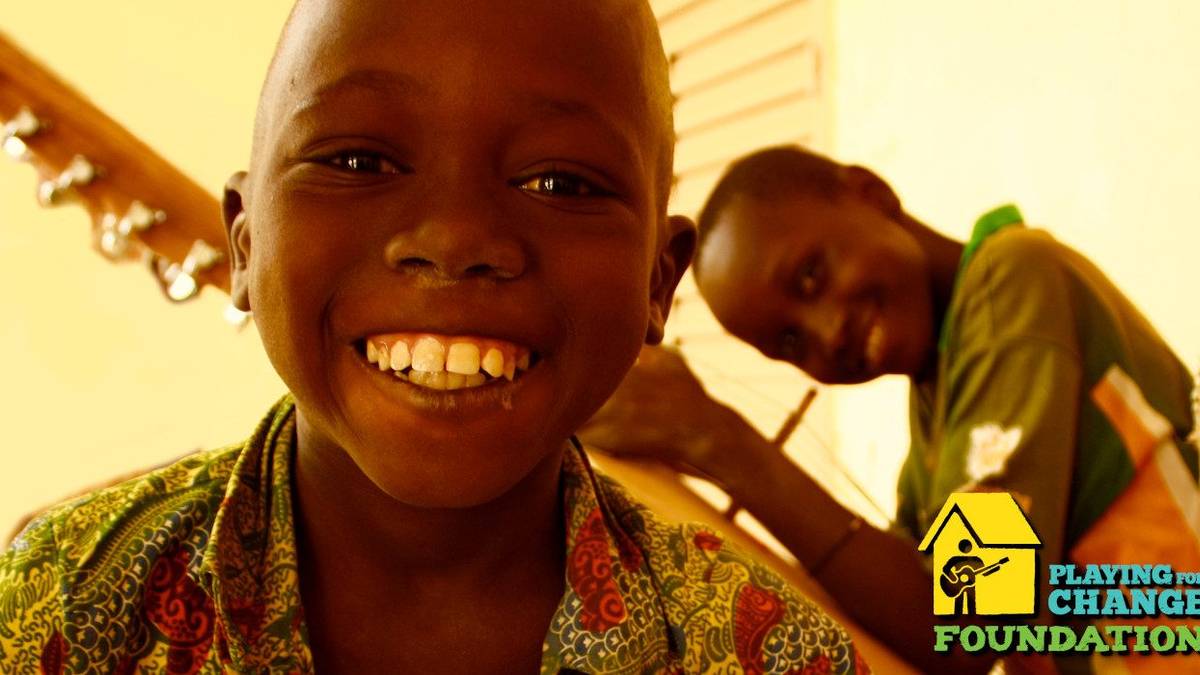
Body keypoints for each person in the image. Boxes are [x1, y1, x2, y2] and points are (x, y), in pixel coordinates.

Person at [0, 8, 869, 675]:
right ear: (243, 242)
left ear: (658, 282)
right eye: (355, 162)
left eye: (561, 181)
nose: (831, 336)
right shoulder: (70, 602)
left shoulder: (1004, 329)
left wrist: (739, 457)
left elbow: (995, 630)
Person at [581, 145, 1199, 673]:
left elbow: (971, 617)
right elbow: (905, 602)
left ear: (871, 194)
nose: (827, 333)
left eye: (810, 276)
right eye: (789, 344)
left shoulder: (1014, 279)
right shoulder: (938, 415)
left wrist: (716, 441)